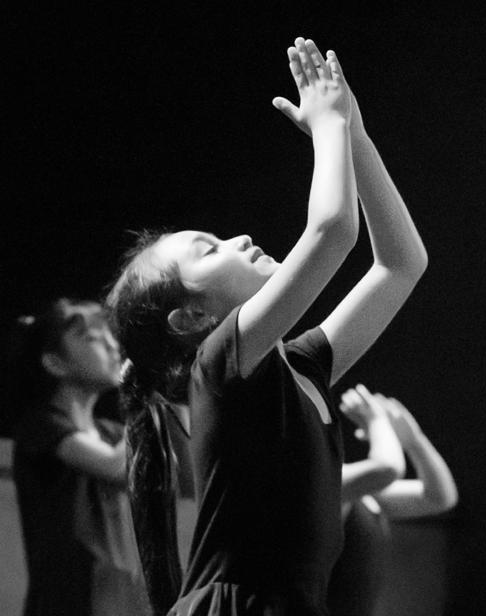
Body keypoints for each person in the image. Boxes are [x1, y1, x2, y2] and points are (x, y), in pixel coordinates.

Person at [106, 36, 427, 616]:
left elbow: (402, 264)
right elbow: (333, 231)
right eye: (210, 249)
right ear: (193, 318)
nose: (239, 238)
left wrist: (354, 135)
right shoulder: (219, 365)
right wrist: (329, 126)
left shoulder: (300, 364)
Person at [8, 298, 148, 616]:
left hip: (122, 599)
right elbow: (115, 466)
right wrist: (145, 393)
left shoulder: (112, 433)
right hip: (68, 601)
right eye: (92, 338)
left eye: (110, 336)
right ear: (55, 363)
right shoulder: (41, 425)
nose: (112, 346)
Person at [328, 385, 458, 616]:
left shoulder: (357, 491)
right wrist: (377, 420)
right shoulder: (327, 485)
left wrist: (413, 440)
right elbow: (387, 468)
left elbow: (439, 497)